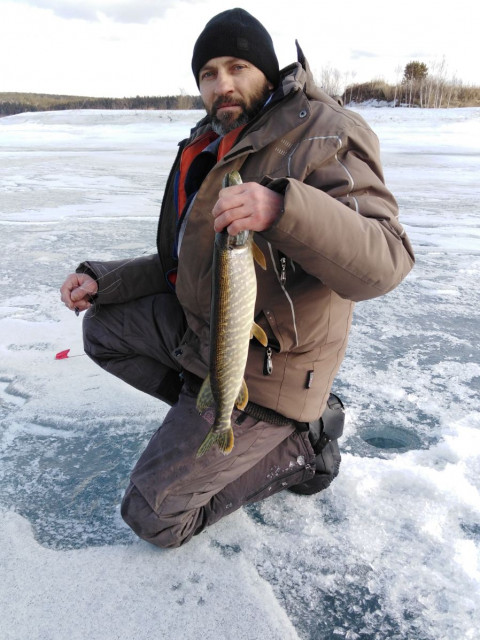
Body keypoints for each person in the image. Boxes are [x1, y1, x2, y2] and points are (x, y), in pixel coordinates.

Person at [60, 8, 414, 548]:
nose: (221, 84)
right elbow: (188, 261)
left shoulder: (326, 133)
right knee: (104, 330)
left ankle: (300, 448)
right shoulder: (213, 143)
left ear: (268, 71)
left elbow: (387, 259)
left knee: (153, 516)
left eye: (237, 66)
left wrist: (283, 209)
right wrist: (102, 282)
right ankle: (206, 409)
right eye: (207, 74)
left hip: (277, 367)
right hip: (211, 337)